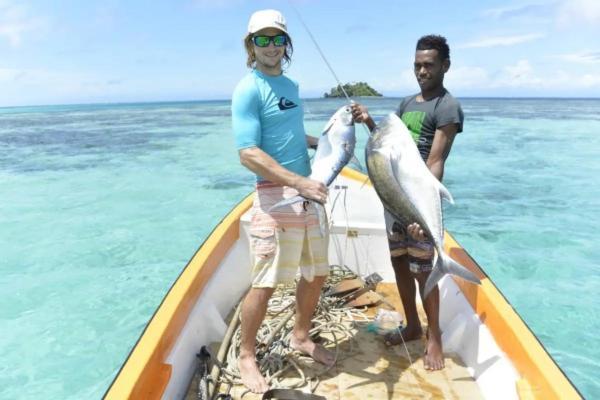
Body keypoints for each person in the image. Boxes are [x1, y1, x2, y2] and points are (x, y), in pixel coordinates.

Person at [231, 9, 335, 394]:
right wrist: (296, 182)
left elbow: (288, 132)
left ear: (286, 44)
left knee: (317, 271)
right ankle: (246, 354)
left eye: (277, 39)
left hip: (307, 194)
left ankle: (301, 335)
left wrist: (325, 140)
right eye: (263, 39)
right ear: (250, 45)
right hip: (274, 198)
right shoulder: (248, 88)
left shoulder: (291, 86)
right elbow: (247, 152)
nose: (271, 46)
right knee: (266, 282)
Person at [351, 34, 464, 371]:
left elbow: (435, 160)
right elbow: (389, 150)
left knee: (423, 269)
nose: (421, 71)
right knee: (399, 263)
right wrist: (369, 121)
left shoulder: (447, 106)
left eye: (429, 65)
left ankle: (435, 338)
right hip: (394, 202)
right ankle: (412, 325)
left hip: (419, 205)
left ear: (445, 66)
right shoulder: (406, 104)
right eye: (417, 65)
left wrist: (420, 207)